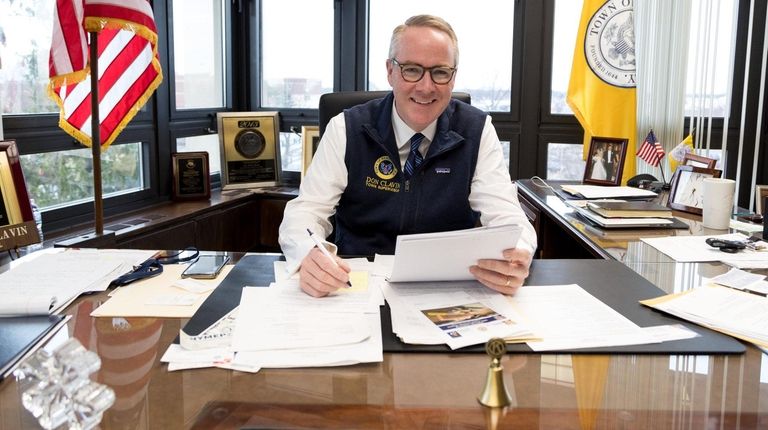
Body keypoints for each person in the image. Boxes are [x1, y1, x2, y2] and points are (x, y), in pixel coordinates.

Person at [279, 14, 537, 298]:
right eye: (412, 70)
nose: (426, 87)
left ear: (453, 77)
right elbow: (306, 211)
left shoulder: (476, 130)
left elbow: (509, 218)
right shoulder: (346, 128)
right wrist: (310, 253)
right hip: (354, 285)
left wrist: (518, 254)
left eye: (440, 72)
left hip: (444, 288)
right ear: (390, 71)